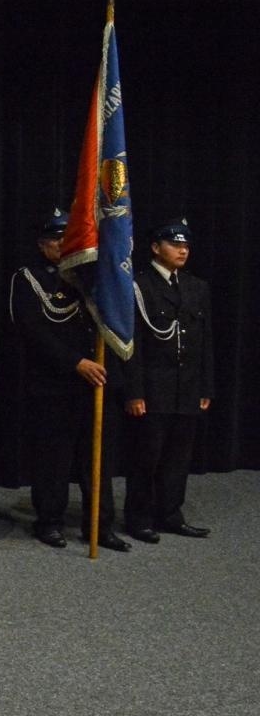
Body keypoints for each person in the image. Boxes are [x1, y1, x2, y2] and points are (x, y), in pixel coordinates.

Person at [8, 209, 129, 552]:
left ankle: (100, 525)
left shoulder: (95, 278)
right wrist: (75, 362)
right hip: (55, 385)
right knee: (53, 460)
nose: (65, 245)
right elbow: (31, 330)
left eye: (70, 239)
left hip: (97, 384)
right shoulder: (29, 278)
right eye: (58, 240)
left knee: (98, 460)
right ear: (43, 245)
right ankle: (49, 521)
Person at [121, 219, 213, 543]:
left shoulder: (196, 288)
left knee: (178, 457)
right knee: (147, 457)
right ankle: (139, 517)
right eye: (175, 245)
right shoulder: (139, 287)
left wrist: (205, 387)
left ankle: (170, 513)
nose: (182, 250)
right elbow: (133, 346)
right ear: (156, 247)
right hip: (152, 389)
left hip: (186, 388)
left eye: (186, 245)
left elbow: (205, 342)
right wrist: (134, 392)